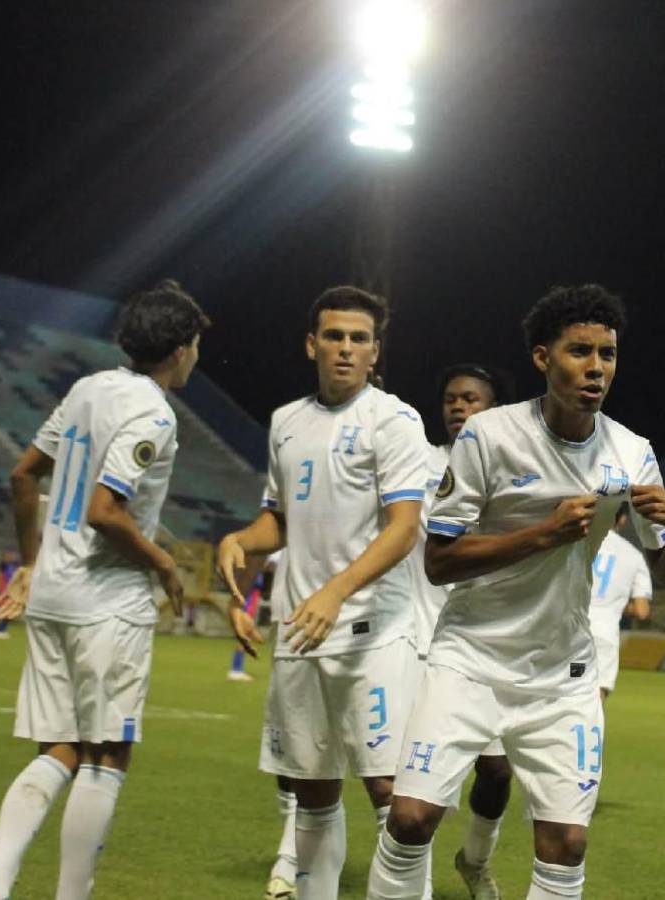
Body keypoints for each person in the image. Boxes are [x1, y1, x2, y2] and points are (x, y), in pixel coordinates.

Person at [368, 284, 665, 900]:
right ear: (543, 358)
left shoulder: (631, 452)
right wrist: (545, 533)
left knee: (566, 844)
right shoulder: (489, 436)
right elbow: (439, 561)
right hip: (470, 657)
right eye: (579, 351)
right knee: (409, 820)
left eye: (607, 354)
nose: (596, 368)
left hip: (560, 674)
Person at [0, 280, 231, 900]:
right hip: (108, 602)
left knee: (58, 748)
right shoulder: (154, 413)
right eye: (195, 345)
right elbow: (105, 512)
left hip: (53, 597)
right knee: (106, 755)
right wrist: (164, 564)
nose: (195, 356)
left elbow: (23, 475)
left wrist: (32, 563)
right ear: (180, 350)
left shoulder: (87, 389)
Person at [216, 286, 429, 900]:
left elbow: (404, 527)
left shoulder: (396, 420)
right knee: (311, 791)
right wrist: (242, 541)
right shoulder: (286, 422)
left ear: (374, 351)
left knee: (391, 793)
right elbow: (279, 520)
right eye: (334, 336)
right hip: (301, 632)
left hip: (373, 632)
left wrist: (337, 591)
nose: (346, 348)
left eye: (359, 339)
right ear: (312, 345)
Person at [422, 364, 517, 899]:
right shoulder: (421, 461)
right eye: (451, 399)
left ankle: (475, 861)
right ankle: (412, 878)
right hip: (416, 637)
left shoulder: (510, 469)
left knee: (497, 772)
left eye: (472, 399)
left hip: (483, 641)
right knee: (417, 782)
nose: (459, 407)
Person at [590, 506, 653, 703]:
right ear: (623, 520)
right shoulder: (633, 555)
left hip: (572, 633)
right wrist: (617, 603)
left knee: (573, 686)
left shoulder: (579, 545)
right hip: (604, 636)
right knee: (596, 696)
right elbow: (642, 611)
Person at [228, 550, 281, 683]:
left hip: (252, 592)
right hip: (250, 594)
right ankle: (236, 669)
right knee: (245, 630)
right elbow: (271, 565)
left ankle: (237, 668)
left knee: (245, 630)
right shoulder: (260, 561)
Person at [0, 550, 21, 639]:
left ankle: (1, 630)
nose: (11, 557)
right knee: (5, 611)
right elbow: (2, 579)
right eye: (8, 556)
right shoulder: (4, 566)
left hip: (12, 591)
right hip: (5, 592)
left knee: (9, 612)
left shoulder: (14, 566)